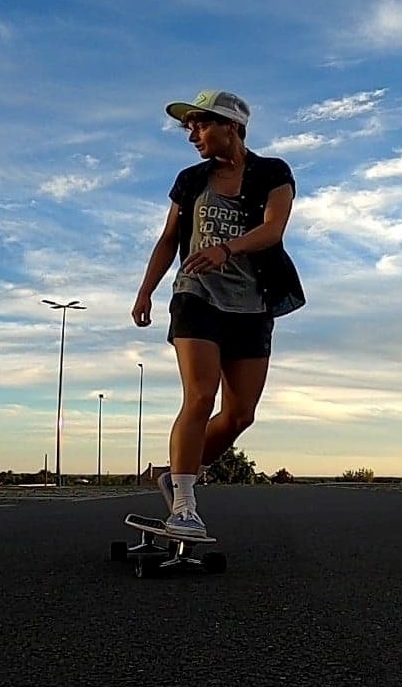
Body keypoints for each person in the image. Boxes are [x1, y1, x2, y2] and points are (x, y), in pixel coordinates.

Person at [131, 89, 305, 538]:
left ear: (232, 127)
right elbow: (169, 239)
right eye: (189, 127)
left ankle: (175, 474)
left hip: (252, 301)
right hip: (197, 296)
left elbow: (273, 229)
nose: (193, 135)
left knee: (240, 414)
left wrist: (226, 249)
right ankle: (184, 504)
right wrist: (146, 291)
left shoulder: (273, 172)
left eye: (202, 124)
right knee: (200, 395)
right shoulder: (191, 180)